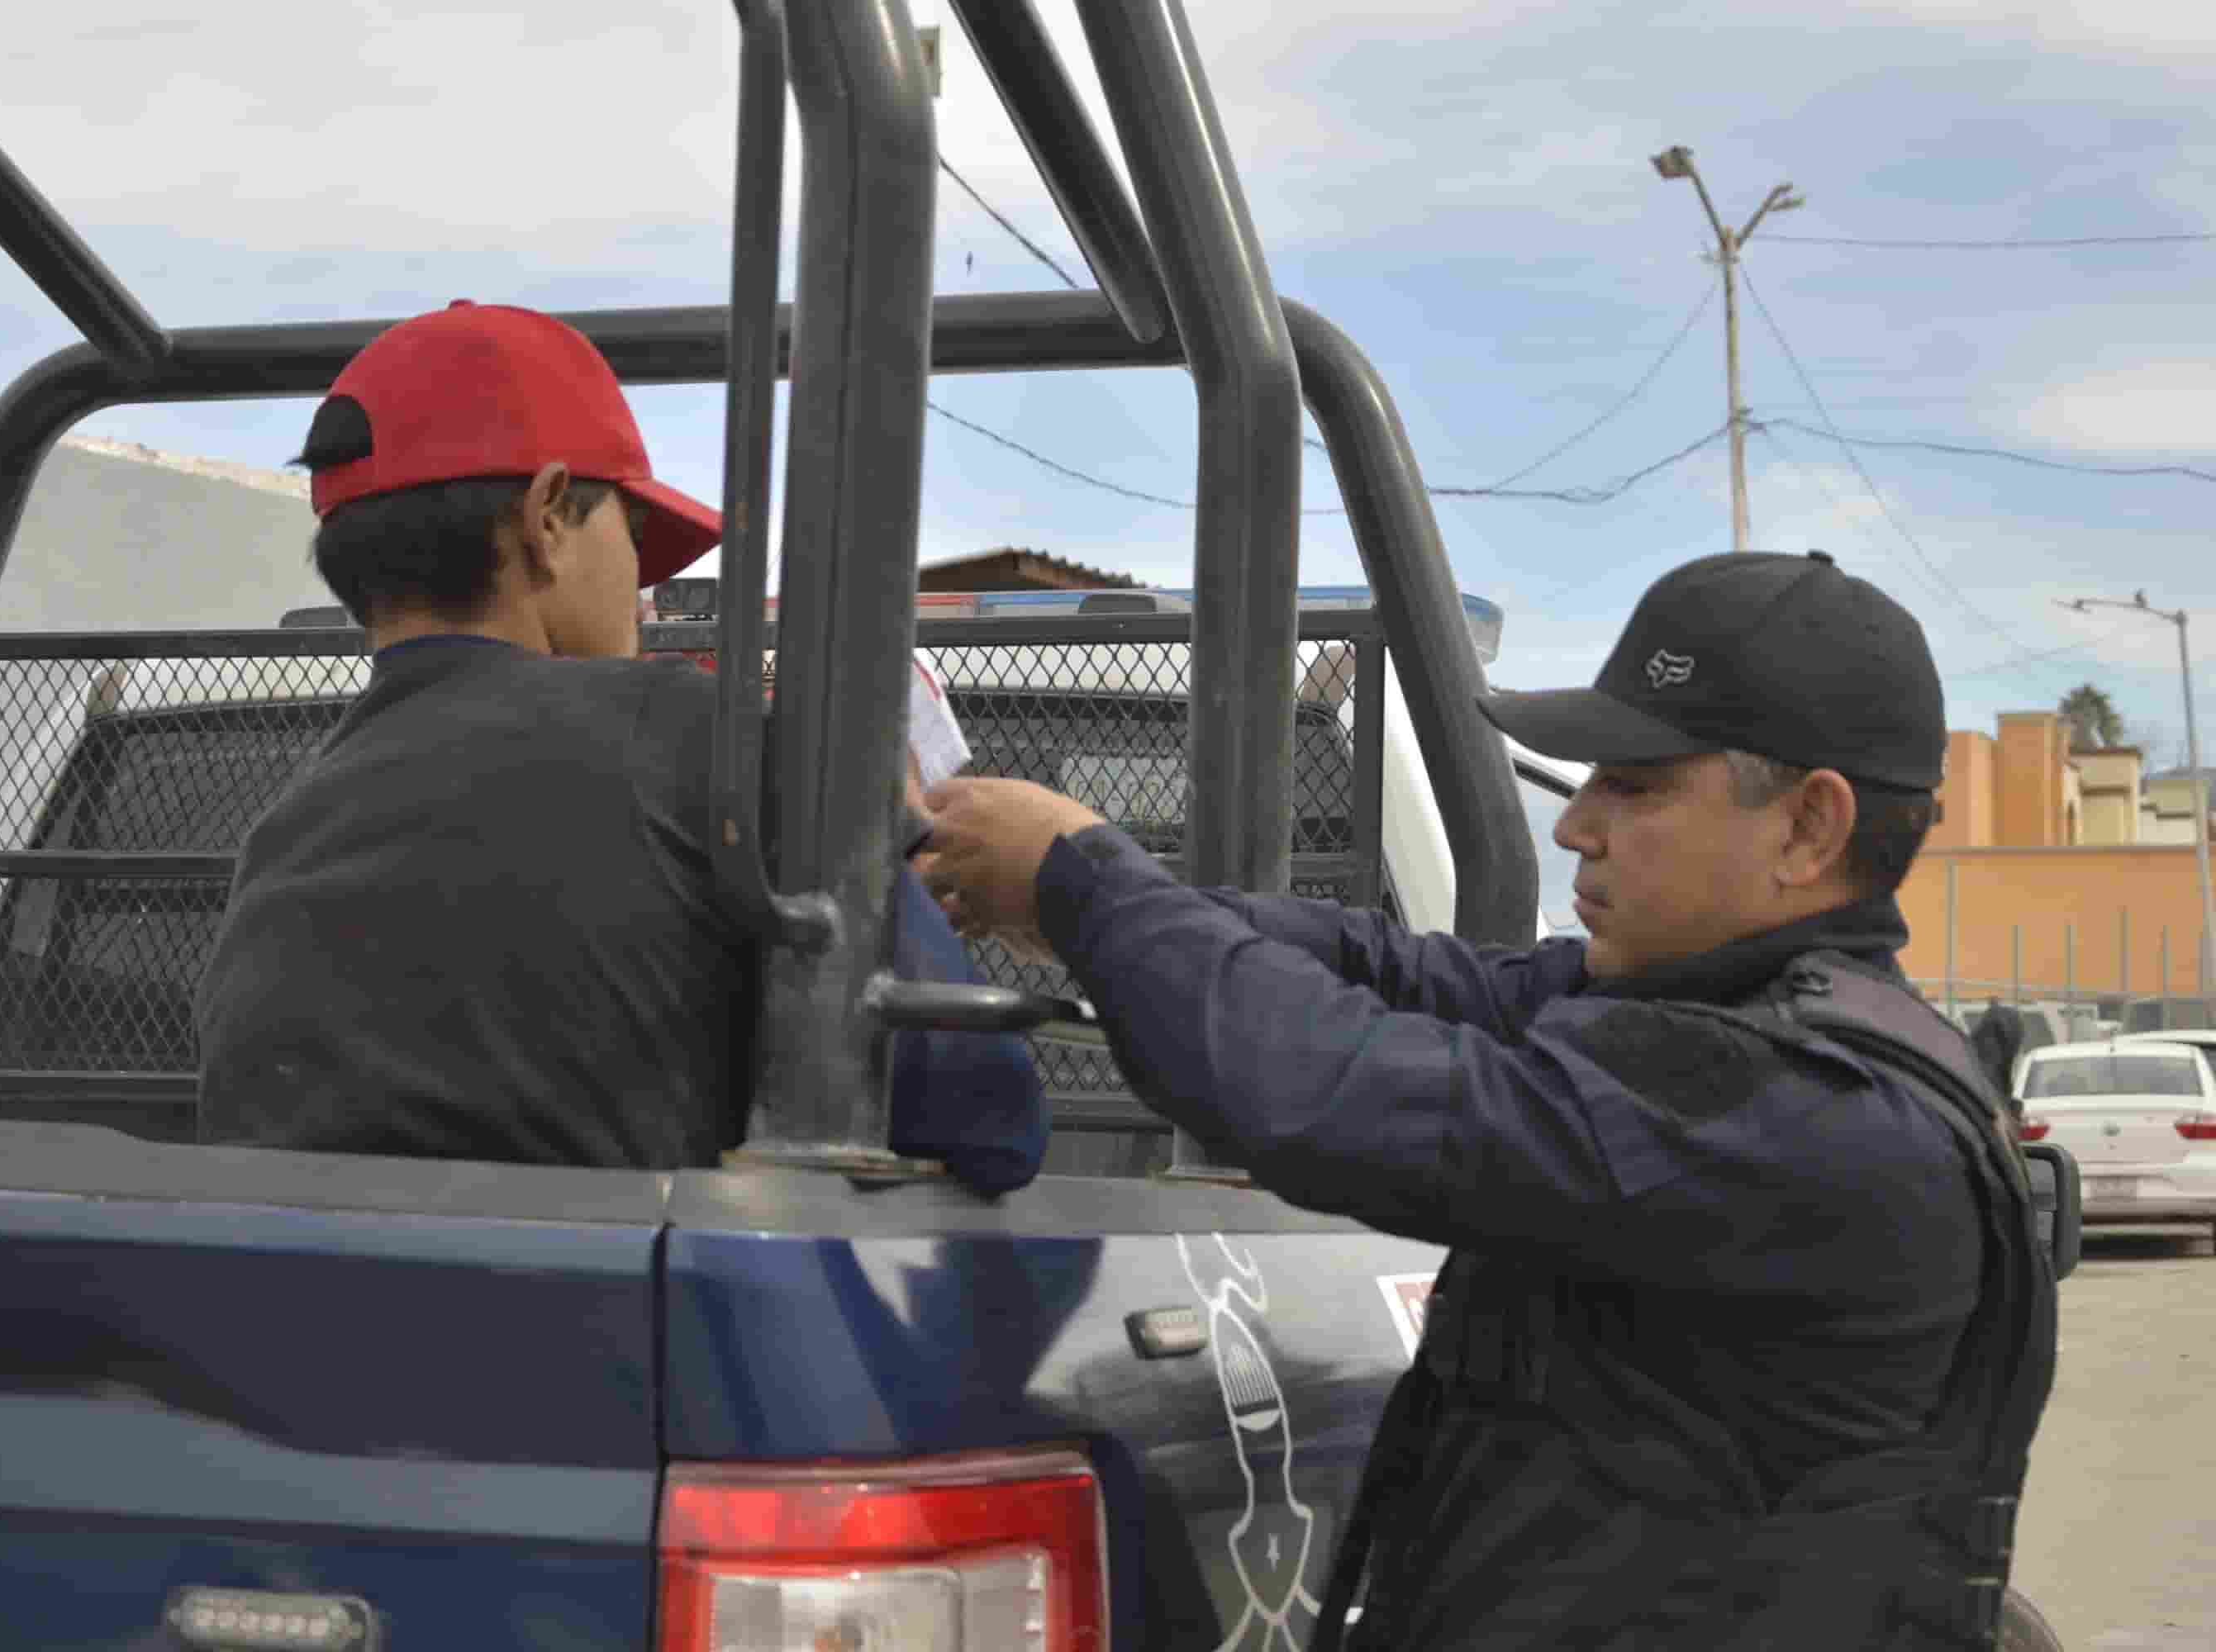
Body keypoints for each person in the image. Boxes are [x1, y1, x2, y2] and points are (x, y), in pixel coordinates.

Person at [919, 549, 2055, 1649]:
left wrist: (1085, 879)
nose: (1578, 824)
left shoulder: (1805, 1112)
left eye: (1637, 785)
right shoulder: (1712, 1017)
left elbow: (1325, 1093)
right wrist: (1088, 900)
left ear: (1810, 828)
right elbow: (1400, 972)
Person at [197, 300, 1043, 1194]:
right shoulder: (690, 738)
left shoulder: (282, 828)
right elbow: (981, 1114)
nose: (642, 590)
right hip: (611, 1322)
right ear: (549, 516)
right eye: (633, 539)